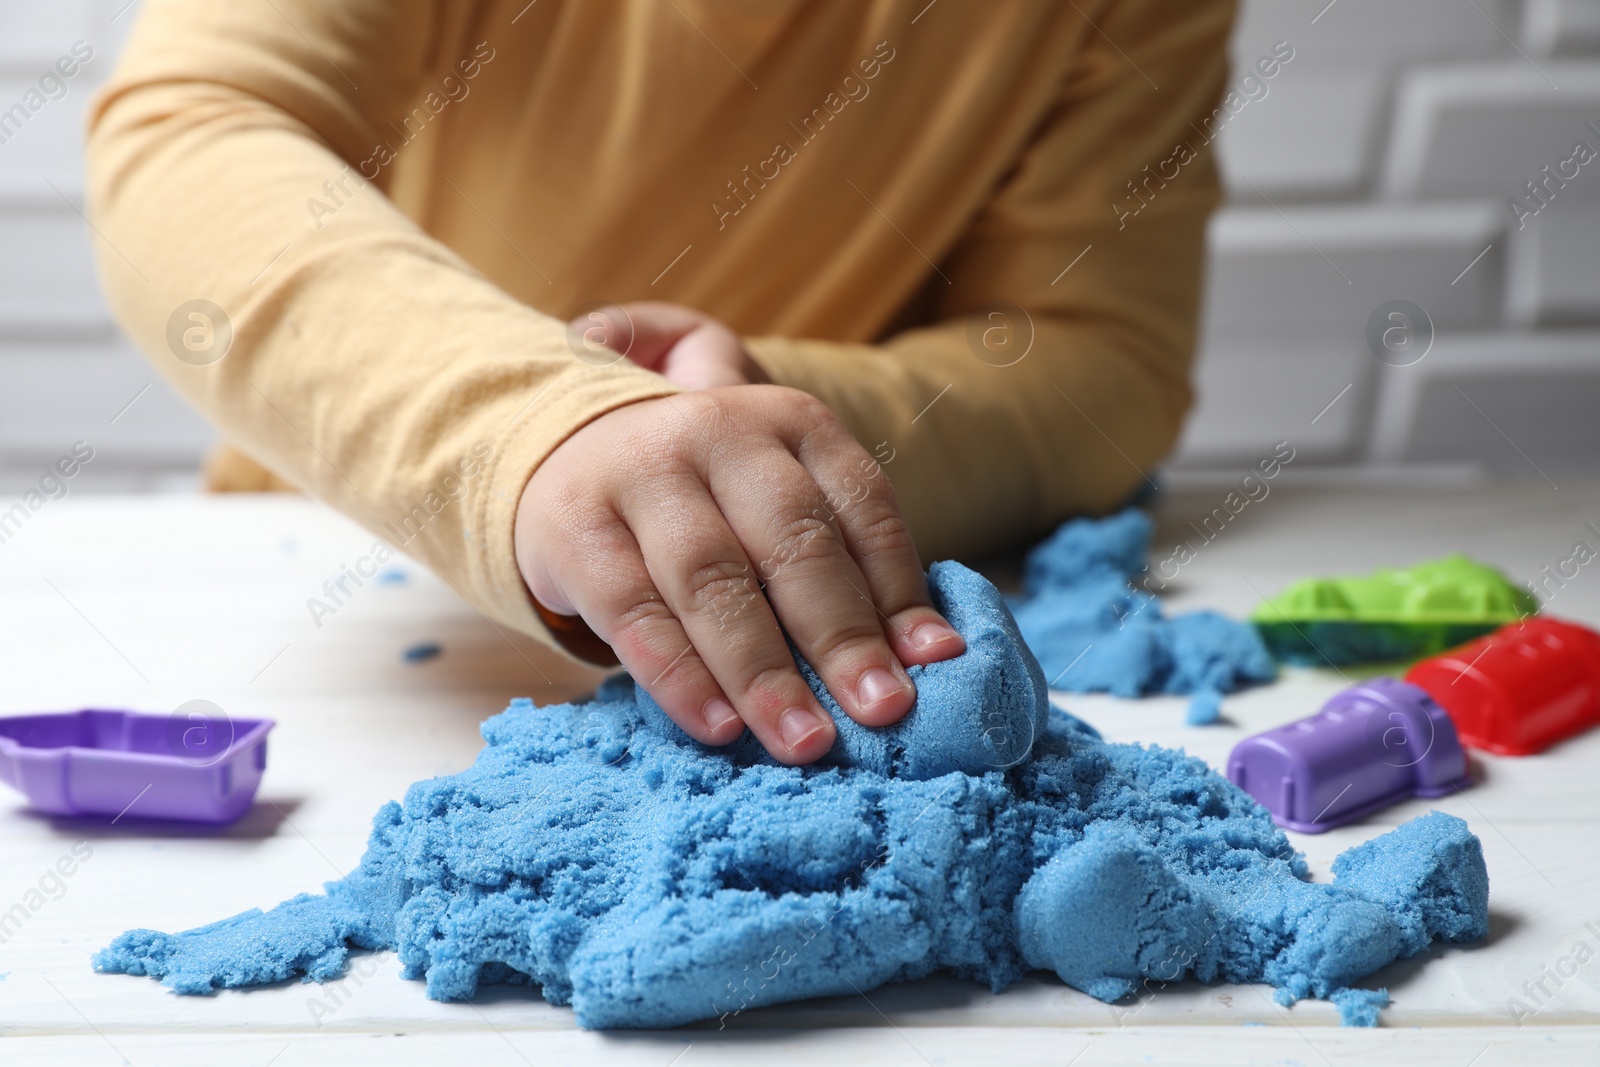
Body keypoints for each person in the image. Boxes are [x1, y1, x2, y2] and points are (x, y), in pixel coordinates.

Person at [86, 0, 1233, 765]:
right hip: (329, 560)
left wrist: (764, 420)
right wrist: (535, 425)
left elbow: (1097, 358)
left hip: (783, 604)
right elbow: (194, 126)